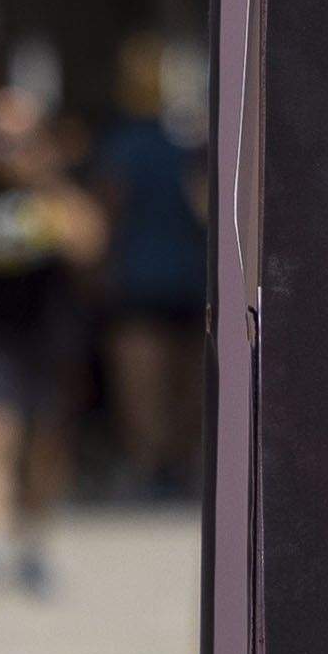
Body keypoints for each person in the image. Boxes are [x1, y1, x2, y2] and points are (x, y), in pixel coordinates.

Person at [0, 90, 110, 599]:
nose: (8, 151)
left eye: (18, 141)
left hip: (51, 337)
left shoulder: (59, 196)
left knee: (44, 446)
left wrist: (49, 186)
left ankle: (34, 542)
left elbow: (92, 247)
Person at [91, 38, 213, 503]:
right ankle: (161, 465)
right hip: (157, 275)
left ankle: (165, 464)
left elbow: (110, 208)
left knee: (163, 383)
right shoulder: (142, 141)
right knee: (162, 383)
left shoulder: (182, 141)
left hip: (167, 275)